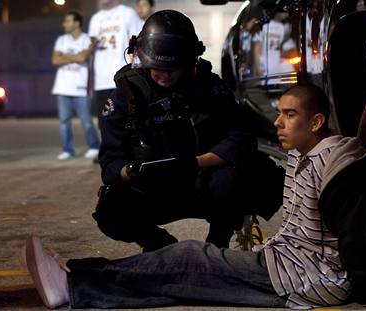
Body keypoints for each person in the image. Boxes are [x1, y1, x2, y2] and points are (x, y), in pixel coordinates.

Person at [21, 84, 366, 309]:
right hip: (287, 265)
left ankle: (72, 280)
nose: (278, 122)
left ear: (316, 122)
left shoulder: (336, 166)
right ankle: (75, 280)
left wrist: (362, 288)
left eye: (289, 114)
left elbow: (357, 239)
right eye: (278, 112)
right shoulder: (300, 153)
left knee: (190, 258)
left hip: (306, 278)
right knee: (184, 281)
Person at [93, 10, 283, 251]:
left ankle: (218, 243)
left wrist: (196, 163)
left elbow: (241, 137)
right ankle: (161, 246)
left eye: (173, 69)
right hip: (153, 189)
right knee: (112, 209)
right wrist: (131, 171)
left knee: (252, 174)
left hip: (203, 181)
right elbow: (110, 163)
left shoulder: (208, 86)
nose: (165, 77)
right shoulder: (125, 97)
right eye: (158, 69)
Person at [51, 11, 100, 161]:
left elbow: (83, 57)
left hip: (80, 88)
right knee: (64, 122)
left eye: (67, 21)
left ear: (77, 23)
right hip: (62, 87)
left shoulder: (87, 39)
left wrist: (65, 56)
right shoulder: (61, 40)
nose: (64, 24)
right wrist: (74, 57)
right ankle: (67, 149)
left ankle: (94, 147)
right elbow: (55, 60)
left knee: (86, 121)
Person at [88, 0, 143, 123]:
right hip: (101, 80)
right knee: (103, 123)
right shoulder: (96, 18)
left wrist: (136, 71)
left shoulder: (128, 13)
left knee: (125, 122)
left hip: (122, 77)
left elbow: (137, 43)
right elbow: (91, 46)